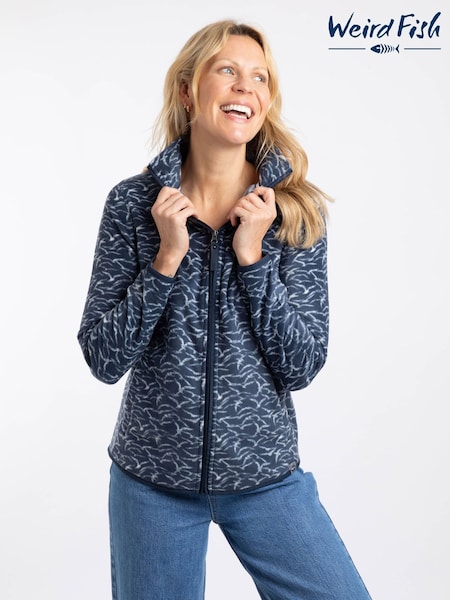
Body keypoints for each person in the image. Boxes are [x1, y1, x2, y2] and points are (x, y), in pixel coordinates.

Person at [78, 19, 372, 600]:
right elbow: (103, 358)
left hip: (266, 478)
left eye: (260, 78)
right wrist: (166, 259)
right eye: (228, 71)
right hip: (151, 483)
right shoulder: (132, 205)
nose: (246, 88)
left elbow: (302, 365)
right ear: (188, 90)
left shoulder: (295, 213)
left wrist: (253, 258)